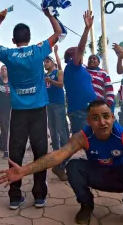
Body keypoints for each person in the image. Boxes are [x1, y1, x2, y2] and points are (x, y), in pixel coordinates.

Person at [0, 6, 62, 210]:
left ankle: (14, 196)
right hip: (39, 110)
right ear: (29, 38)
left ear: (13, 40)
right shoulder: (38, 50)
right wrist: (49, 15)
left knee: (16, 152)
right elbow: (58, 34)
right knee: (40, 152)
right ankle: (39, 196)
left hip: (18, 111)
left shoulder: (9, 54)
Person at [63, 11, 97, 134]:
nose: (81, 55)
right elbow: (81, 48)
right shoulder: (72, 66)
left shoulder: (82, 69)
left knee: (93, 140)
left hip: (90, 107)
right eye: (77, 53)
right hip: (80, 111)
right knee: (83, 142)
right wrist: (87, 29)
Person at [43, 50, 68, 181]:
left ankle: (64, 155)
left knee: (61, 130)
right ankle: (57, 156)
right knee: (52, 131)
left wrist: (50, 81)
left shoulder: (58, 72)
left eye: (47, 61)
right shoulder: (44, 75)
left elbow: (61, 84)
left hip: (58, 104)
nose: (45, 63)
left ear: (52, 62)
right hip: (48, 105)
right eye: (44, 62)